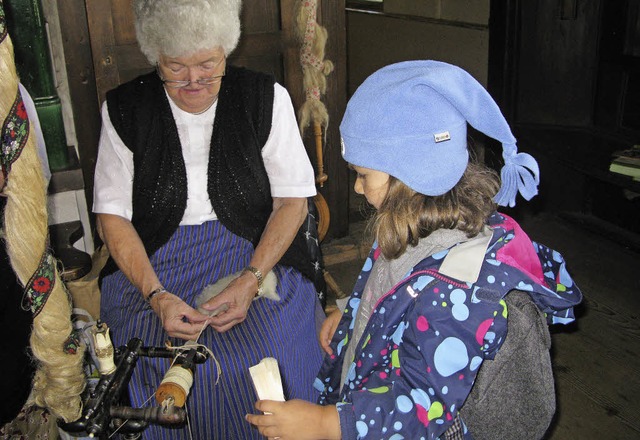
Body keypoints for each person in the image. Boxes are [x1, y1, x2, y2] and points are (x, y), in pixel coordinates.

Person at [246, 60, 583, 439]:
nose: (357, 188)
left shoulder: (457, 291)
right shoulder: (408, 227)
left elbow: (421, 402)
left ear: (410, 174)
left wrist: (329, 425)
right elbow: (389, 290)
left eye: (363, 175)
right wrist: (350, 317)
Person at [92, 0, 324, 438]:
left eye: (207, 64)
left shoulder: (264, 96)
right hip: (152, 260)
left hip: (253, 249)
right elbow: (112, 219)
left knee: (266, 350)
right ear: (154, 57)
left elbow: (293, 203)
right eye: (175, 67)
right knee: (153, 359)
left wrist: (251, 278)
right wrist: (157, 296)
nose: (194, 79)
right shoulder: (125, 108)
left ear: (226, 50)